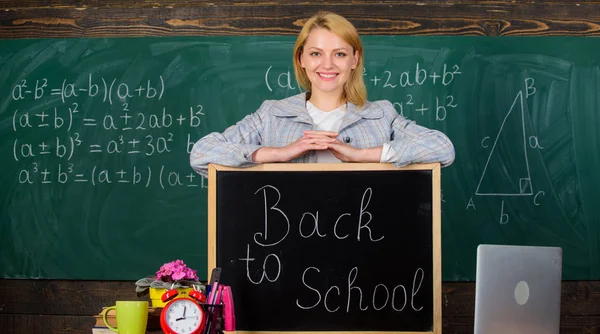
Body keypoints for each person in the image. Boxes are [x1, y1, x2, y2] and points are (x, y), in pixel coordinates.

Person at [190, 11, 454, 177]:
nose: (327, 65)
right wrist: (277, 153)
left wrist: (361, 155)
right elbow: (202, 154)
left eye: (339, 54)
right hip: (285, 252)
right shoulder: (271, 114)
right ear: (301, 59)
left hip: (366, 248)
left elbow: (443, 149)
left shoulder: (381, 115)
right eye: (316, 53)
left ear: (354, 60)